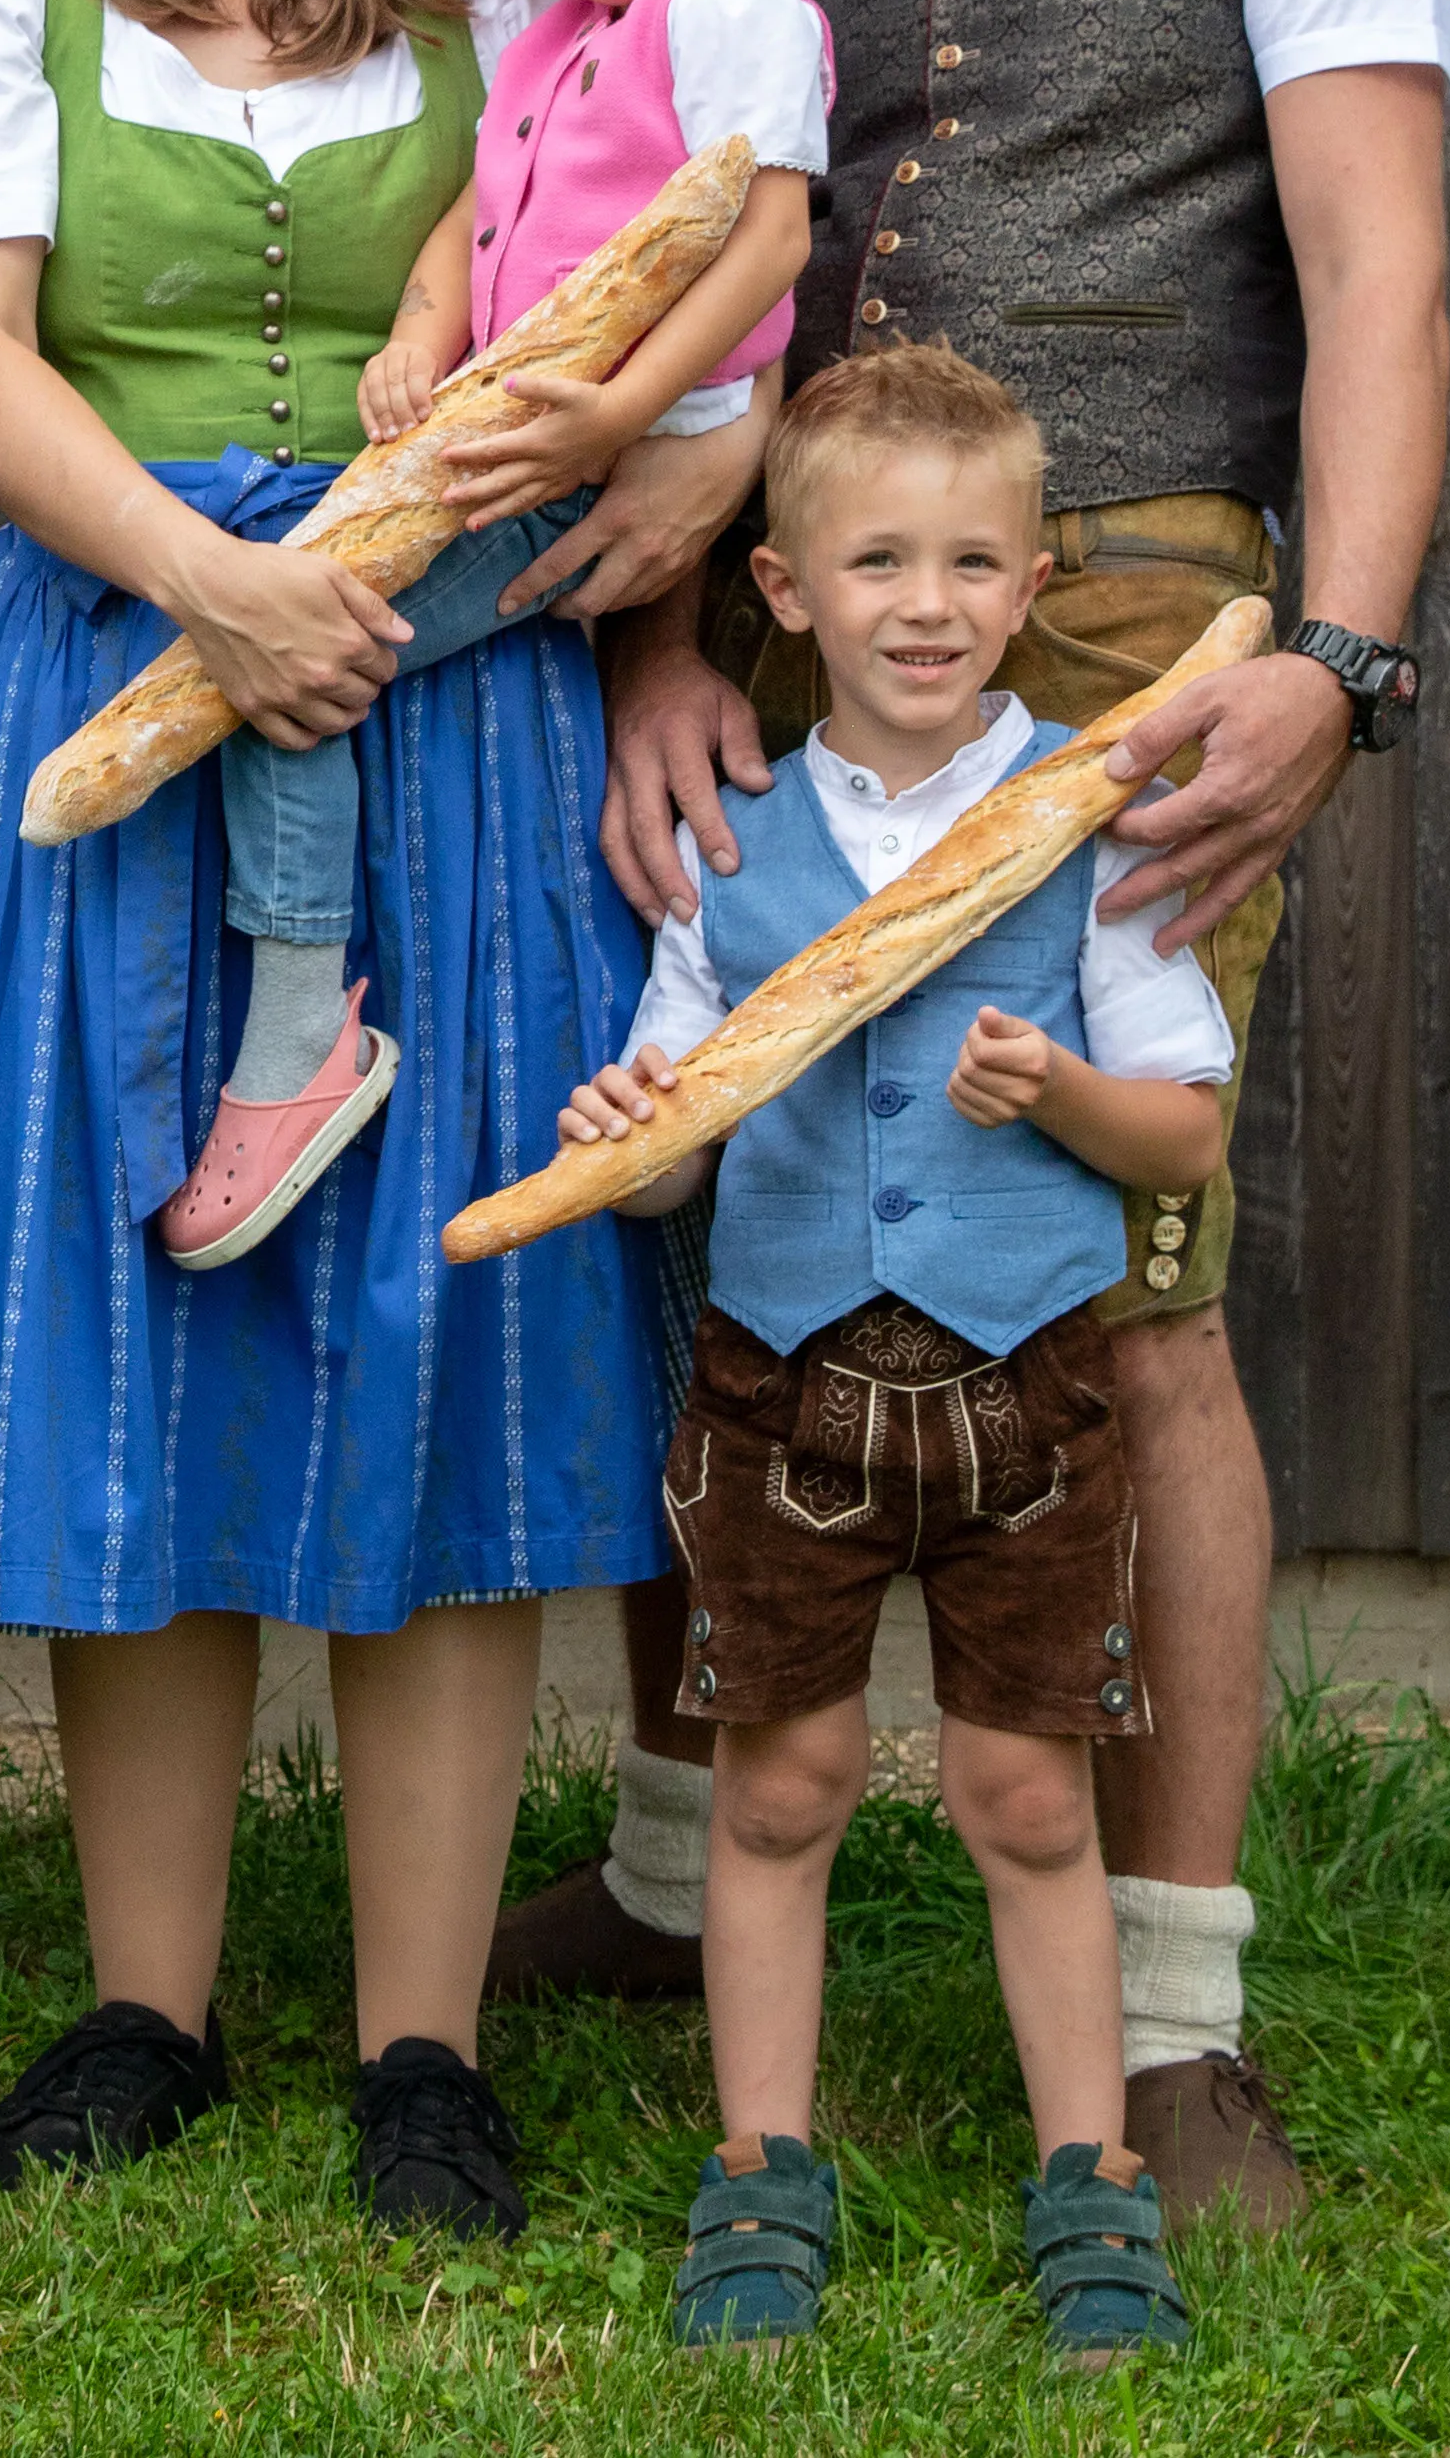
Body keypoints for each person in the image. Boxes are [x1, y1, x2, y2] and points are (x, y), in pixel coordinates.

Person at [493, 0, 1450, 2243]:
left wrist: (1331, 650)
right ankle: (688, 1868)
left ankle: (1164, 2016)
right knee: (730, 1208)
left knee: (1120, 1284)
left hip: (1129, 613)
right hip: (784, 610)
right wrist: (667, 639)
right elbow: (678, 284)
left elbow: (1381, 260)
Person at [0, 0, 681, 2244]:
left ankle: (424, 2036)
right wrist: (221, 588)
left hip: (445, 703)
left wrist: (603, 533)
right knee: (150, 1311)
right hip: (125, 661)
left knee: (436, 1333)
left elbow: (670, 247)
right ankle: (145, 1998)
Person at [543, 346, 1234, 2364]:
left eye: (967, 562)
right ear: (783, 590)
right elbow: (676, 1138)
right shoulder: (740, 850)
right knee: (785, 1779)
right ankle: (764, 2160)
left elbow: (1183, 1127)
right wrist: (625, 1135)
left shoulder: (1082, 814)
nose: (924, 602)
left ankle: (1091, 2175)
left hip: (1029, 1388)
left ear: (1028, 586)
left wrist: (1069, 1093)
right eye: (876, 560)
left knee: (1029, 1789)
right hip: (780, 1389)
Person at [156, 0, 824, 1274]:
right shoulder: (552, 44)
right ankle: (310, 1022)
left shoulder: (725, 3)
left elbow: (763, 239)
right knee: (305, 634)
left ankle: (305, 1026)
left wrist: (619, 416)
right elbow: (476, 215)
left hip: (611, 446)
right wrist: (414, 331)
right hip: (525, 429)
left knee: (300, 642)